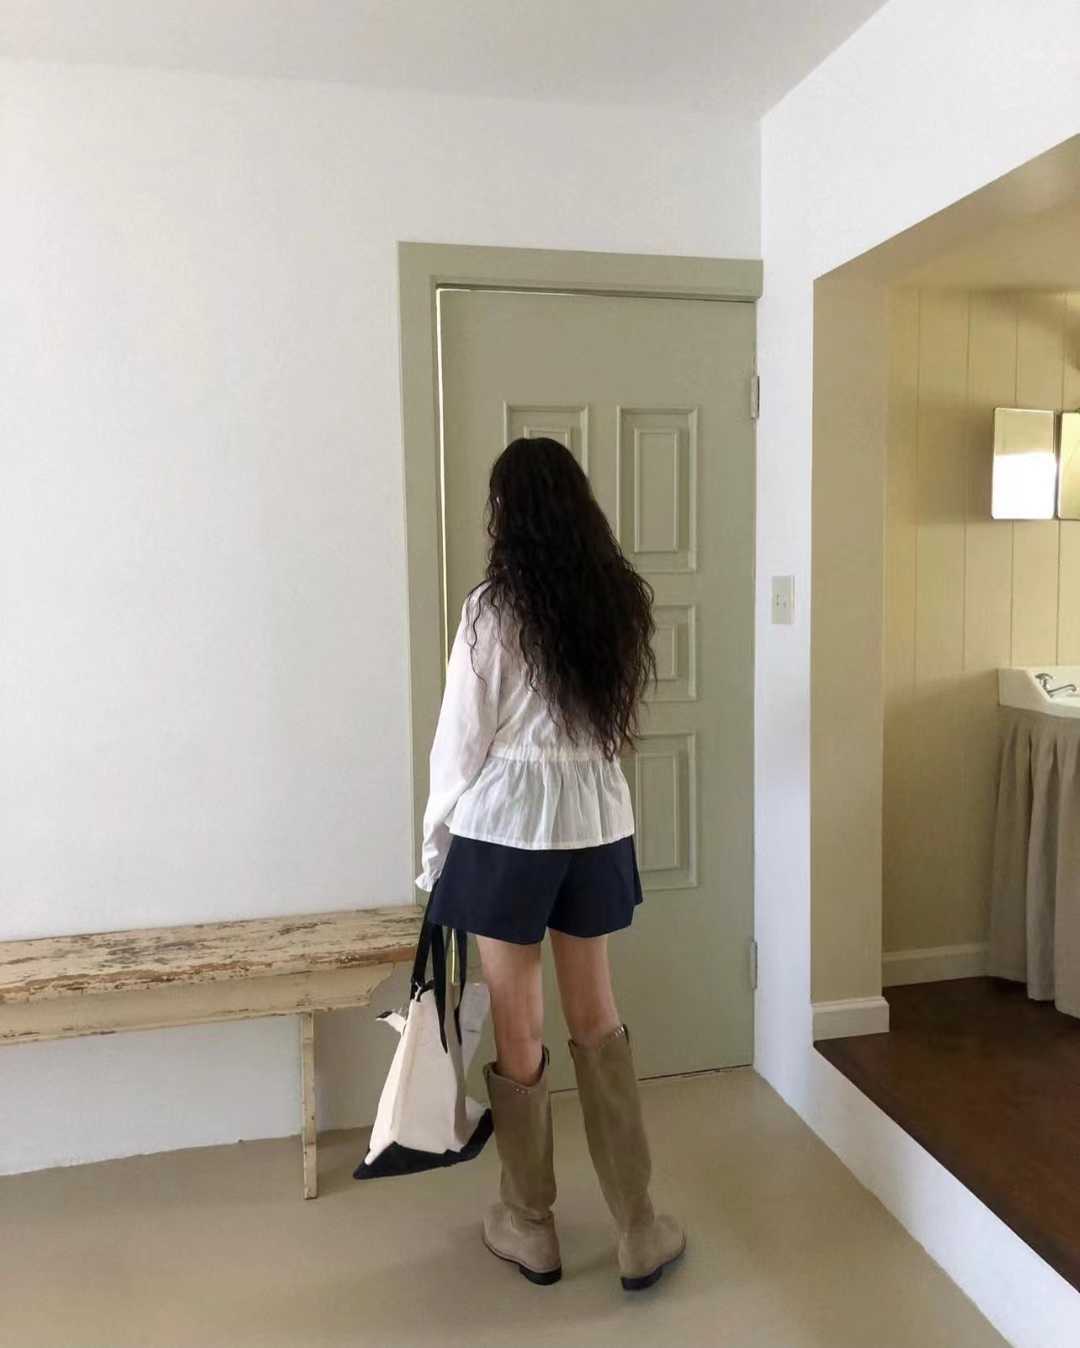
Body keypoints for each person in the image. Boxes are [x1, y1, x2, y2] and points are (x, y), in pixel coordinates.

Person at [414, 436, 686, 1291]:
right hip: (593, 825)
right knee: (597, 1015)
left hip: (505, 832)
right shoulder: (616, 600)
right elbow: (611, 729)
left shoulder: (492, 611)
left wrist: (434, 844)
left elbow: (462, 742)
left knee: (518, 1024)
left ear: (509, 514)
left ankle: (531, 1225)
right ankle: (638, 1224)